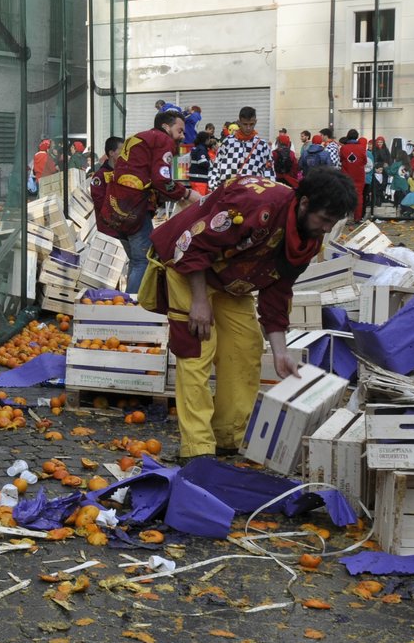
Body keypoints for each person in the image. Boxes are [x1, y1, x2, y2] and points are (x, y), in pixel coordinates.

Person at [147, 169, 358, 461]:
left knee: (246, 347)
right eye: (324, 220)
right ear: (305, 202)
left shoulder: (306, 240)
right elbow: (193, 244)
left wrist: (281, 351)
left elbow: (278, 290)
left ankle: (229, 437)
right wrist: (198, 302)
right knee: (197, 349)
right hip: (190, 269)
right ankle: (197, 450)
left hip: (232, 280)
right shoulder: (254, 205)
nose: (325, 229)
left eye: (332, 223)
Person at [100, 109, 197, 294]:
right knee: (142, 260)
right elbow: (161, 179)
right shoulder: (163, 140)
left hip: (116, 207)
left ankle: (128, 302)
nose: (182, 136)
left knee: (136, 261)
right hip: (135, 208)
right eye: (180, 130)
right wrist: (185, 194)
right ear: (166, 127)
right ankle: (132, 310)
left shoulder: (139, 137)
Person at [209, 107, 273, 189]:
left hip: (253, 194)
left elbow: (269, 172)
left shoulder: (262, 145)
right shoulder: (228, 142)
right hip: (229, 193)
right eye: (245, 124)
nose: (248, 128)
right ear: (239, 122)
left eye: (251, 124)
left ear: (255, 122)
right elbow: (216, 166)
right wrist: (214, 188)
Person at [338, 129, 368, 220]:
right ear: (357, 137)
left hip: (346, 175)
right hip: (359, 176)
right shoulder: (362, 148)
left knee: (345, 196)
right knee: (359, 196)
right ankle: (357, 218)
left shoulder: (344, 148)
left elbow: (341, 159)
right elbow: (365, 161)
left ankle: (344, 217)